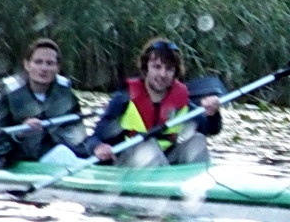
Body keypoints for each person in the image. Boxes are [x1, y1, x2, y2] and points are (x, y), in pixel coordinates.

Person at [86, 38, 222, 167]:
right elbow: (94, 138)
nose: (163, 74)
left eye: (169, 69)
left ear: (175, 73)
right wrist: (98, 147)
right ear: (146, 68)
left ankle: (200, 188)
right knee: (148, 145)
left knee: (197, 140)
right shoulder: (123, 100)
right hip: (128, 163)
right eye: (157, 67)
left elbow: (211, 128)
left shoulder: (182, 103)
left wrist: (213, 114)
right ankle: (168, 187)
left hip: (164, 162)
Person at [0, 38, 88, 168]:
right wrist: (20, 133)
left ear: (58, 68)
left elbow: (78, 137)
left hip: (60, 155)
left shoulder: (66, 94)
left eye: (50, 63)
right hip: (23, 159)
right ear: (27, 65)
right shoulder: (10, 94)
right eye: (38, 62)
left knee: (64, 153)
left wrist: (97, 147)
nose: (44, 68)